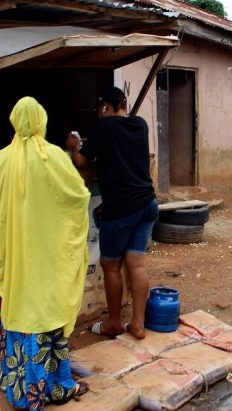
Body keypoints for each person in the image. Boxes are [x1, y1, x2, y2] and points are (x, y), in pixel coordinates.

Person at [0, 97, 91, 411]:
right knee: (47, 313)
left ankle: (20, 390)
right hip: (48, 260)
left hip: (18, 261)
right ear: (41, 120)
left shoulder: (2, 160)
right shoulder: (53, 157)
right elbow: (79, 197)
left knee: (22, 309)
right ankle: (56, 386)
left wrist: (5, 231)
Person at [67, 87, 157, 340]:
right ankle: (138, 324)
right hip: (147, 204)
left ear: (105, 106)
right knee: (136, 263)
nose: (99, 113)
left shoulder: (104, 127)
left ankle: (114, 323)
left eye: (99, 108)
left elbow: (81, 161)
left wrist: (76, 145)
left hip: (120, 210)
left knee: (111, 265)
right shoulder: (140, 125)